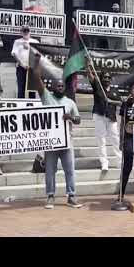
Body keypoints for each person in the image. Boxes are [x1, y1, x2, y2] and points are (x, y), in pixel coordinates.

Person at [31, 52, 83, 209]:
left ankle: (71, 196)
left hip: (67, 142)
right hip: (52, 142)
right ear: (53, 87)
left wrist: (71, 118)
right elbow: (36, 78)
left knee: (70, 170)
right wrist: (37, 62)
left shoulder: (70, 102)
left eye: (62, 86)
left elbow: (78, 119)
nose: (60, 87)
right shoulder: (46, 97)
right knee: (50, 171)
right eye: (58, 85)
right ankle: (50, 196)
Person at [86, 64, 122, 171]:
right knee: (101, 140)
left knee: (116, 140)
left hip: (111, 118)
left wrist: (111, 101)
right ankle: (104, 163)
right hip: (99, 115)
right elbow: (90, 75)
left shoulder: (115, 91)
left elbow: (121, 102)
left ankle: (120, 162)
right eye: (104, 77)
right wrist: (88, 66)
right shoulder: (97, 86)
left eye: (108, 77)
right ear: (101, 78)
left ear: (111, 79)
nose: (106, 79)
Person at [12, 25, 39, 98]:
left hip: (32, 68)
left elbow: (38, 55)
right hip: (21, 67)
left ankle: (32, 106)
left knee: (32, 89)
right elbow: (14, 54)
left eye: (27, 31)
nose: (26, 32)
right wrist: (22, 64)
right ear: (21, 32)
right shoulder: (17, 41)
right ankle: (20, 106)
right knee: (21, 88)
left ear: (30, 32)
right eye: (24, 31)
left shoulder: (35, 42)